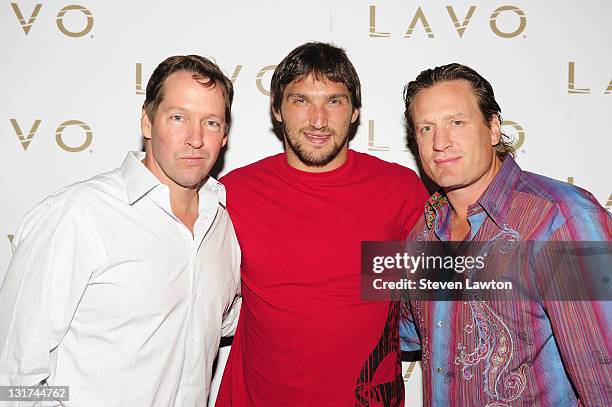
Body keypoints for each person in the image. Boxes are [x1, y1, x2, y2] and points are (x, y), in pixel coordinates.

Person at [0, 55, 241, 406]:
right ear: (147, 121)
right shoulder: (78, 215)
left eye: (211, 123)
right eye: (178, 118)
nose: (195, 139)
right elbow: (11, 378)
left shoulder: (222, 227)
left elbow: (225, 324)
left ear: (224, 135)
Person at [215, 42, 429, 406]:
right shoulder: (233, 193)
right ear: (277, 110)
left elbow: (449, 300)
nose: (318, 120)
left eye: (334, 100)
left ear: (355, 110)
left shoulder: (400, 190)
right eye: (300, 101)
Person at [400, 63, 611, 406]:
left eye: (457, 122)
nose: (440, 142)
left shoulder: (560, 220)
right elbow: (408, 335)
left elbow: (603, 378)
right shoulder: (423, 234)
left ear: (494, 128)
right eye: (426, 128)